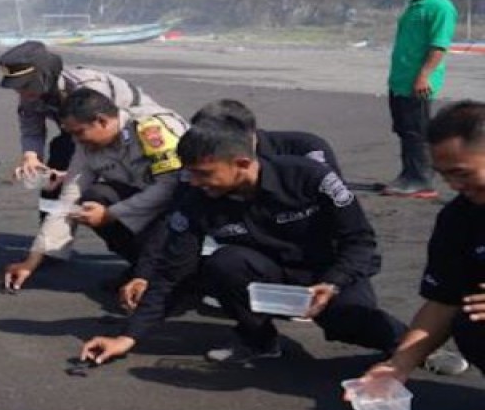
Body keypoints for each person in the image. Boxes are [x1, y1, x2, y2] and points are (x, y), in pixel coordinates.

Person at [81, 117, 408, 365]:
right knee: (224, 264)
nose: (193, 182)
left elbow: (361, 242)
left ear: (241, 163)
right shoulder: (199, 198)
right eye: (189, 173)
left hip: (328, 271)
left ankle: (414, 346)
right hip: (268, 275)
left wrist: (333, 283)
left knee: (350, 321)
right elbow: (172, 271)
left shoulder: (309, 177)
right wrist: (127, 338)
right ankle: (259, 341)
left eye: (203, 173)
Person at [118, 98, 344, 312]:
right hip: (242, 245)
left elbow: (336, 217)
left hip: (309, 248)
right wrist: (143, 274)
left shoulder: (305, 149)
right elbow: (174, 218)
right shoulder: (203, 165)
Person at [353, 102, 485, 392]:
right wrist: (398, 365)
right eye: (444, 175)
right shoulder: (458, 218)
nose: (453, 185)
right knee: (471, 321)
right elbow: (442, 302)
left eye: (461, 173)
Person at [3, 88, 188, 290]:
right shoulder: (86, 145)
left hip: (183, 207)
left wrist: (112, 214)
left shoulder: (151, 129)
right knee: (93, 199)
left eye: (79, 132)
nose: (76, 140)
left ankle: (165, 273)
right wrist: (32, 261)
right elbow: (69, 199)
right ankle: (142, 268)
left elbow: (170, 187)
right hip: (144, 206)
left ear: (102, 121)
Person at [0, 40, 161, 199]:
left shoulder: (88, 87)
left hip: (133, 133)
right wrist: (31, 157)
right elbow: (31, 131)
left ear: (45, 75)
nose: (22, 94)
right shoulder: (31, 96)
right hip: (83, 135)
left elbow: (105, 131)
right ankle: (52, 216)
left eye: (26, 86)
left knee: (80, 175)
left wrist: (74, 173)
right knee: (55, 162)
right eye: (17, 88)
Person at [383, 0, 458, 199]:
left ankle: (421, 181)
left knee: (417, 131)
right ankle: (408, 175)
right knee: (405, 130)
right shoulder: (416, 5)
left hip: (418, 83)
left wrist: (423, 76)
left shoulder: (440, 7)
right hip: (401, 81)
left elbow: (439, 46)